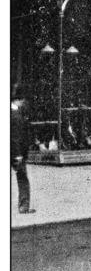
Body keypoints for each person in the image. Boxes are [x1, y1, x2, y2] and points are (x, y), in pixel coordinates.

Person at [11, 85, 34, 214]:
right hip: (16, 152)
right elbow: (15, 137)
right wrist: (18, 154)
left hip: (14, 152)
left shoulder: (14, 113)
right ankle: (24, 207)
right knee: (22, 178)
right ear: (18, 99)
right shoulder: (15, 115)